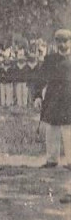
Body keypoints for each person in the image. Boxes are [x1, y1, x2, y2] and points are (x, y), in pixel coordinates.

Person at [33, 29, 71, 173]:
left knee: (69, 130)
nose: (62, 44)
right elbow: (40, 78)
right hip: (53, 98)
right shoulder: (50, 59)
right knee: (52, 129)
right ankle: (51, 159)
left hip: (69, 99)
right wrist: (37, 95)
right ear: (56, 43)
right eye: (59, 41)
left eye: (65, 41)